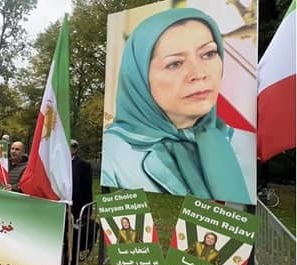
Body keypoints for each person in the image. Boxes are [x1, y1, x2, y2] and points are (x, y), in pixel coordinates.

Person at [101, 9, 249, 204]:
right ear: (139, 77)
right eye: (175, 64)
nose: (199, 73)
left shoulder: (242, 142)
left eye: (209, 54)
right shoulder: (114, 154)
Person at [70, 140, 95, 251]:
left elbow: (87, 188)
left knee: (74, 236)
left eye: (71, 147)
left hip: (76, 206)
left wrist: (87, 211)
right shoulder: (58, 163)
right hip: (61, 205)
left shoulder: (83, 165)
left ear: (75, 149)